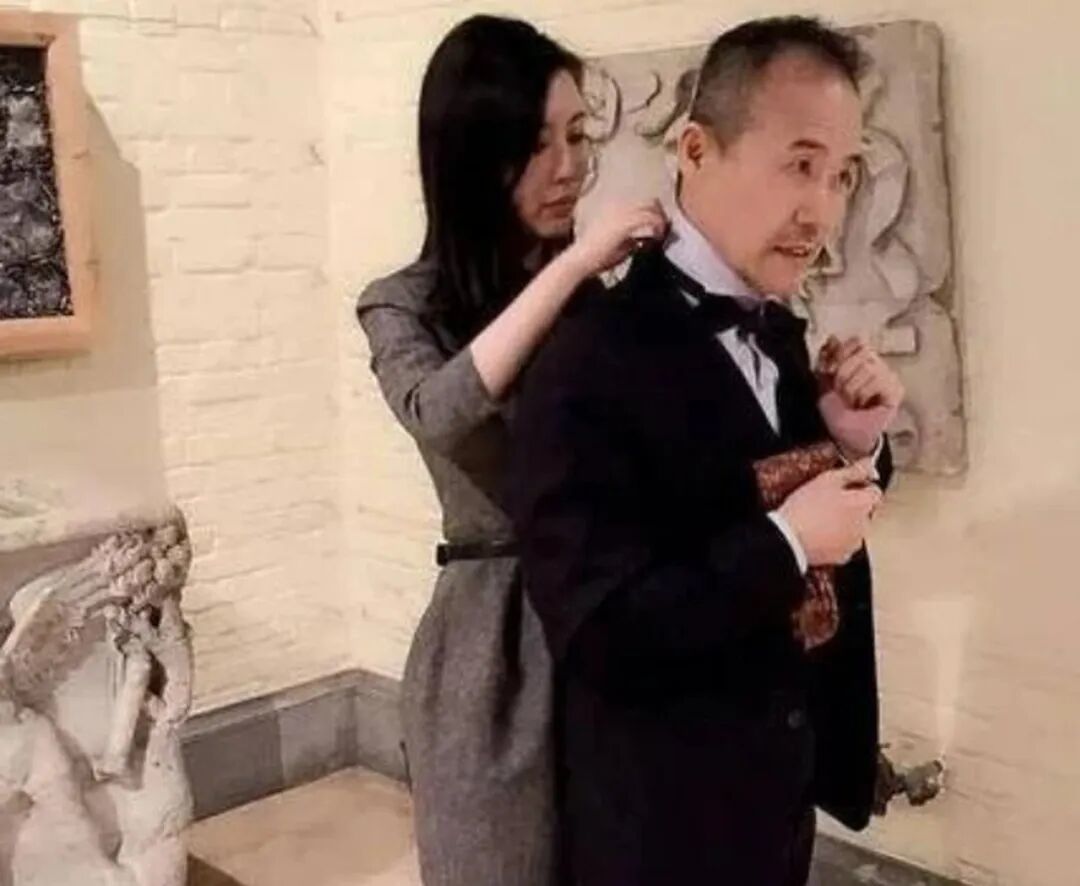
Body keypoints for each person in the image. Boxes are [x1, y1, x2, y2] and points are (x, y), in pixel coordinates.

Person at [506, 16, 906, 886]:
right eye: (800, 164)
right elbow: (599, 631)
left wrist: (853, 445)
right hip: (660, 827)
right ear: (695, 149)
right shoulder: (586, 359)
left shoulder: (780, 331)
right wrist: (787, 542)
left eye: (842, 174)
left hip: (774, 804)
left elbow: (772, 497)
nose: (823, 209)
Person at [355, 15, 666, 886]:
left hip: (607, 620)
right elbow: (440, 412)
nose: (567, 167)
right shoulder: (402, 304)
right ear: (470, 153)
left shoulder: (602, 301)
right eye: (535, 144)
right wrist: (572, 269)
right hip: (491, 650)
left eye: (578, 135)